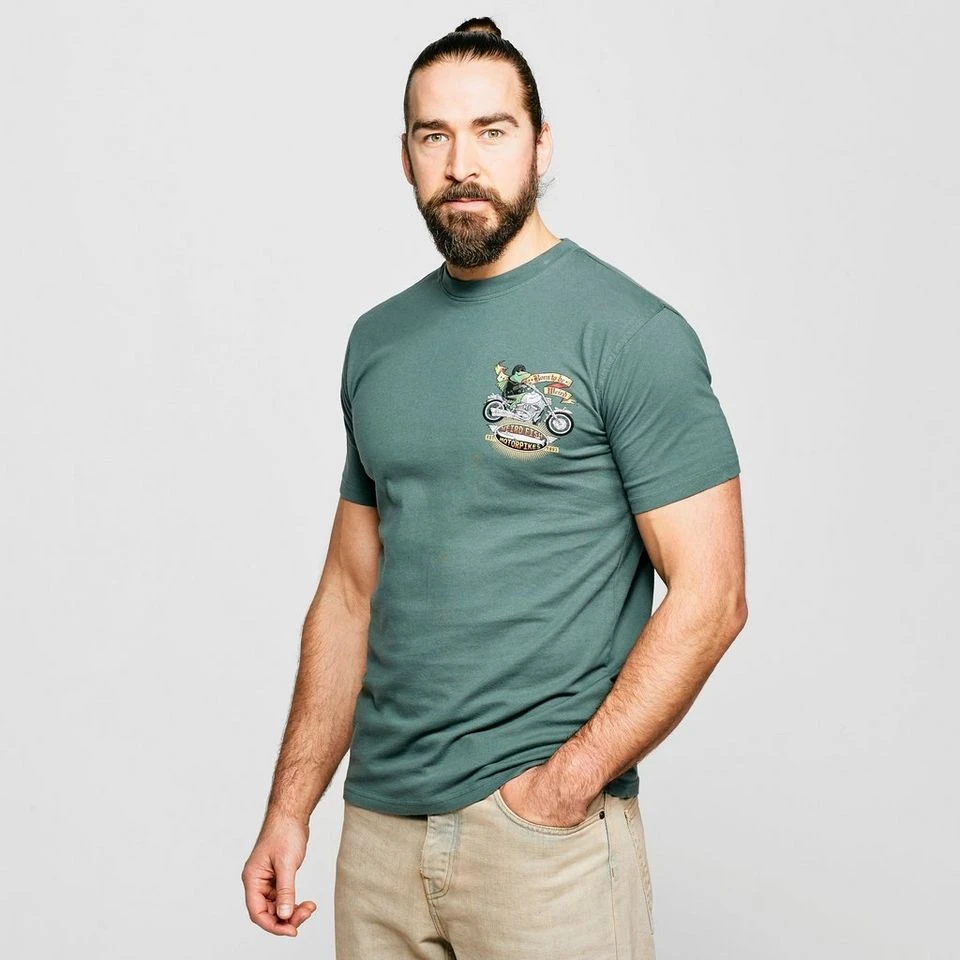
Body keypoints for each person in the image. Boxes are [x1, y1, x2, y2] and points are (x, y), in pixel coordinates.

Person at [241, 16, 747, 960]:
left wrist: (564, 787)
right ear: (405, 157)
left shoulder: (630, 333)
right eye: (435, 135)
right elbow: (349, 593)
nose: (462, 163)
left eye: (492, 130)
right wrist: (290, 807)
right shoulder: (378, 342)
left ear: (541, 146)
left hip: (541, 851)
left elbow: (713, 596)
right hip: (378, 837)